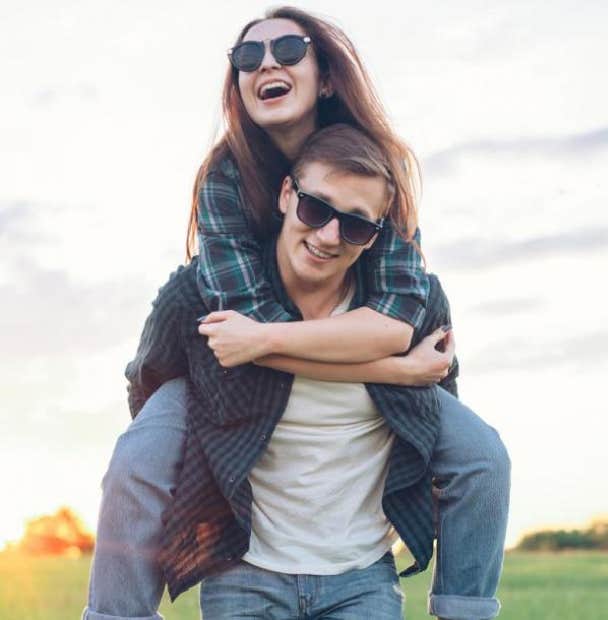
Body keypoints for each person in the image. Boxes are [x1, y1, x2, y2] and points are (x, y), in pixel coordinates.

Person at [83, 8, 510, 620]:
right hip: (221, 352)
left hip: (302, 345)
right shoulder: (225, 175)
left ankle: (465, 609)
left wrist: (398, 375)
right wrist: (392, 371)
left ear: (326, 77)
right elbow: (240, 334)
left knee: (481, 454)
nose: (268, 65)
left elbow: (395, 323)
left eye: (288, 49)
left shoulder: (373, 170)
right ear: (289, 194)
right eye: (249, 57)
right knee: (138, 461)